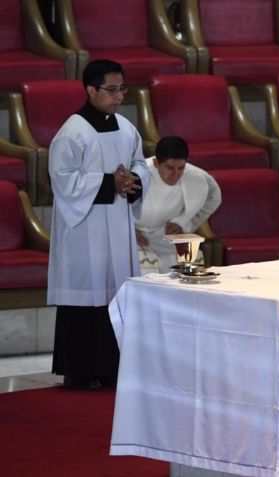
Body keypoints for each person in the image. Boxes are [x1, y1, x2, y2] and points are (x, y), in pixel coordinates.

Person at [48, 59, 151, 390]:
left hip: (117, 224)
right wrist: (110, 184)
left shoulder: (125, 126)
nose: (119, 95)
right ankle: (79, 370)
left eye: (123, 88)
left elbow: (140, 162)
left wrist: (134, 179)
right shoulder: (72, 132)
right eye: (112, 89)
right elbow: (63, 180)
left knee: (115, 293)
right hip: (85, 228)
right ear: (91, 90)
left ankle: (112, 366)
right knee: (87, 296)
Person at [135, 136, 222, 273]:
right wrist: (127, 230)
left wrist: (184, 222)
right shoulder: (138, 175)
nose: (176, 174)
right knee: (145, 265)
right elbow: (113, 206)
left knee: (190, 260)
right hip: (135, 235)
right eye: (170, 168)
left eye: (181, 168)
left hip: (163, 233)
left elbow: (214, 198)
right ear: (156, 163)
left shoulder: (196, 176)